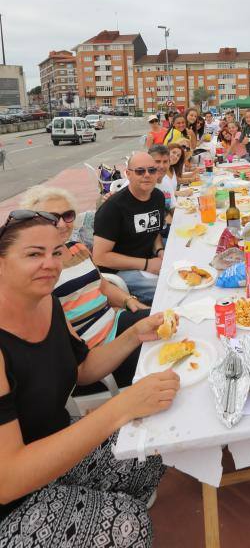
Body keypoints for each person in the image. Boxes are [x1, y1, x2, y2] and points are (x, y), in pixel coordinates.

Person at [0, 210, 179, 544]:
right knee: (129, 525)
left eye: (56, 252)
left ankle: (94, 507)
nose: (50, 263)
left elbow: (82, 370)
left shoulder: (48, 303)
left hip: (56, 448)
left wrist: (134, 334)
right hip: (11, 501)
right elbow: (8, 480)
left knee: (157, 444)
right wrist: (121, 408)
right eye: (34, 254)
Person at [19, 186, 149, 386]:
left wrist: (128, 300)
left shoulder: (77, 248)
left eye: (67, 215)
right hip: (96, 354)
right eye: (52, 217)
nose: (62, 224)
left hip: (115, 323)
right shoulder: (36, 270)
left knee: (167, 320)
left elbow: (103, 286)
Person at [93, 152, 166, 305]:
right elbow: (100, 257)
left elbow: (154, 231)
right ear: (128, 174)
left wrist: (159, 250)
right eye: (140, 171)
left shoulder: (158, 196)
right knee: (169, 290)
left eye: (152, 170)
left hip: (148, 260)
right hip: (120, 272)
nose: (147, 175)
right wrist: (147, 264)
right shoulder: (112, 208)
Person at [148, 145, 175, 214]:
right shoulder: (138, 183)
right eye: (157, 161)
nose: (162, 166)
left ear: (169, 163)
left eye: (165, 161)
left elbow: (172, 207)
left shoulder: (166, 179)